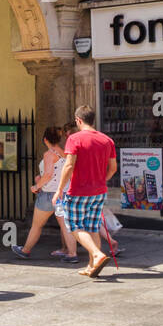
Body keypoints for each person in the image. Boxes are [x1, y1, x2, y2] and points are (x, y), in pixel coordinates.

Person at [52, 104, 118, 278]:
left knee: (73, 225)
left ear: (78, 120)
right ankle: (92, 266)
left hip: (79, 191)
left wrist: (59, 190)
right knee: (92, 227)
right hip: (99, 191)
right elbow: (113, 168)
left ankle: (97, 255)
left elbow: (68, 165)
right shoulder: (107, 140)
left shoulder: (75, 139)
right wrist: (102, 180)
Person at [11, 126, 79, 262]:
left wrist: (37, 186)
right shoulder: (66, 153)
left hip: (48, 194)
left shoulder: (49, 154)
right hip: (63, 193)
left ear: (45, 140)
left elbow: (48, 174)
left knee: (37, 225)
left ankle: (25, 250)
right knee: (66, 226)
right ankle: (72, 254)